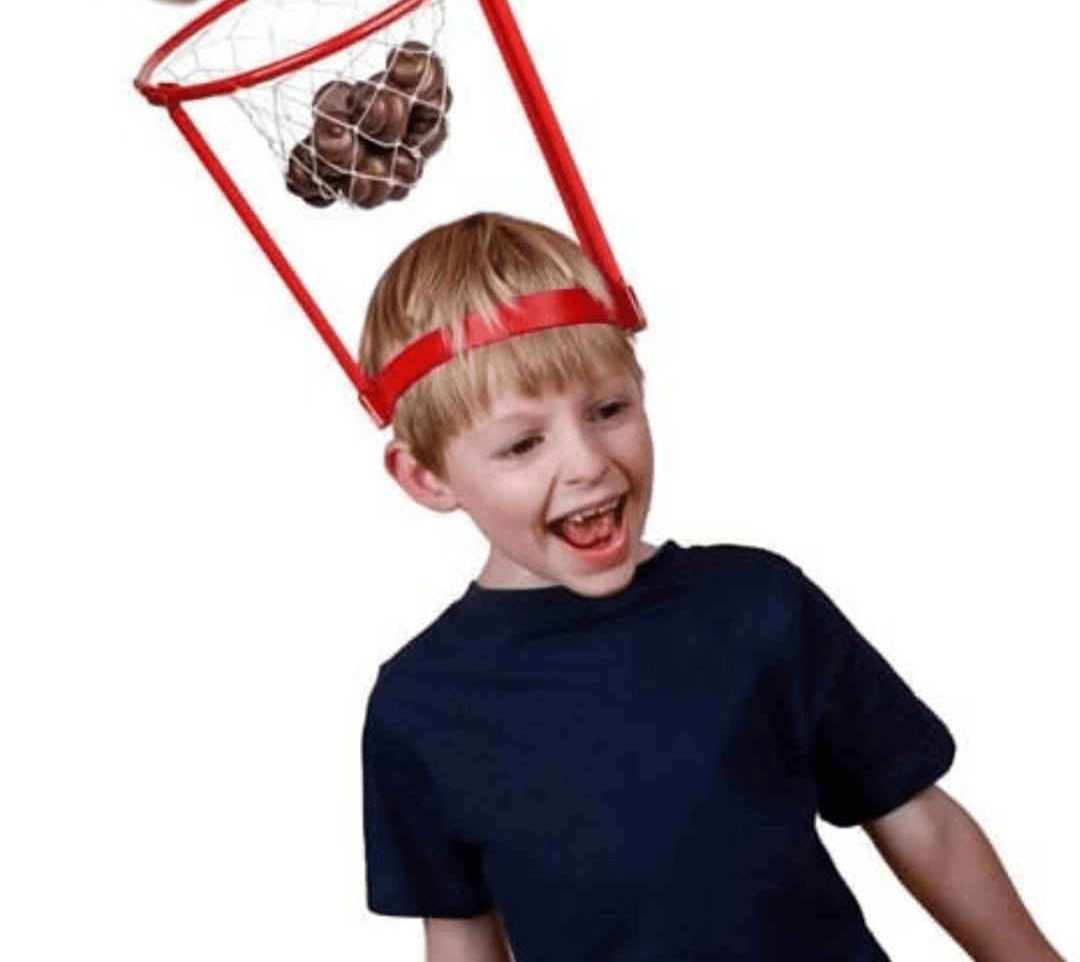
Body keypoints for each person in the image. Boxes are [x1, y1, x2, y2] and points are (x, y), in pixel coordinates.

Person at [359, 211, 1066, 962]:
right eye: (523, 443)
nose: (588, 462)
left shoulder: (758, 604)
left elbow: (922, 822)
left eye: (608, 410)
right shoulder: (421, 703)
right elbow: (461, 934)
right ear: (426, 476)